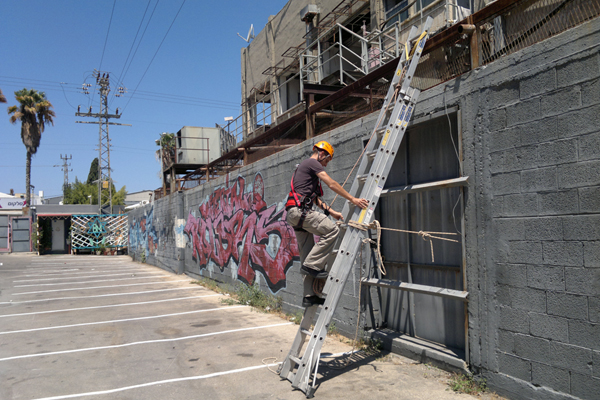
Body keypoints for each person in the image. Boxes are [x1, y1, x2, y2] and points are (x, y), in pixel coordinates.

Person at [285, 140, 369, 307]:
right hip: (300, 212)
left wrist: (332, 212)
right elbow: (331, 183)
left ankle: (309, 296)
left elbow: (314, 198)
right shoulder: (311, 163)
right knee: (331, 231)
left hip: (294, 214)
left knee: (308, 256)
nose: (326, 165)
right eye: (327, 161)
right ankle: (312, 265)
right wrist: (353, 199)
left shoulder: (305, 172)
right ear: (321, 153)